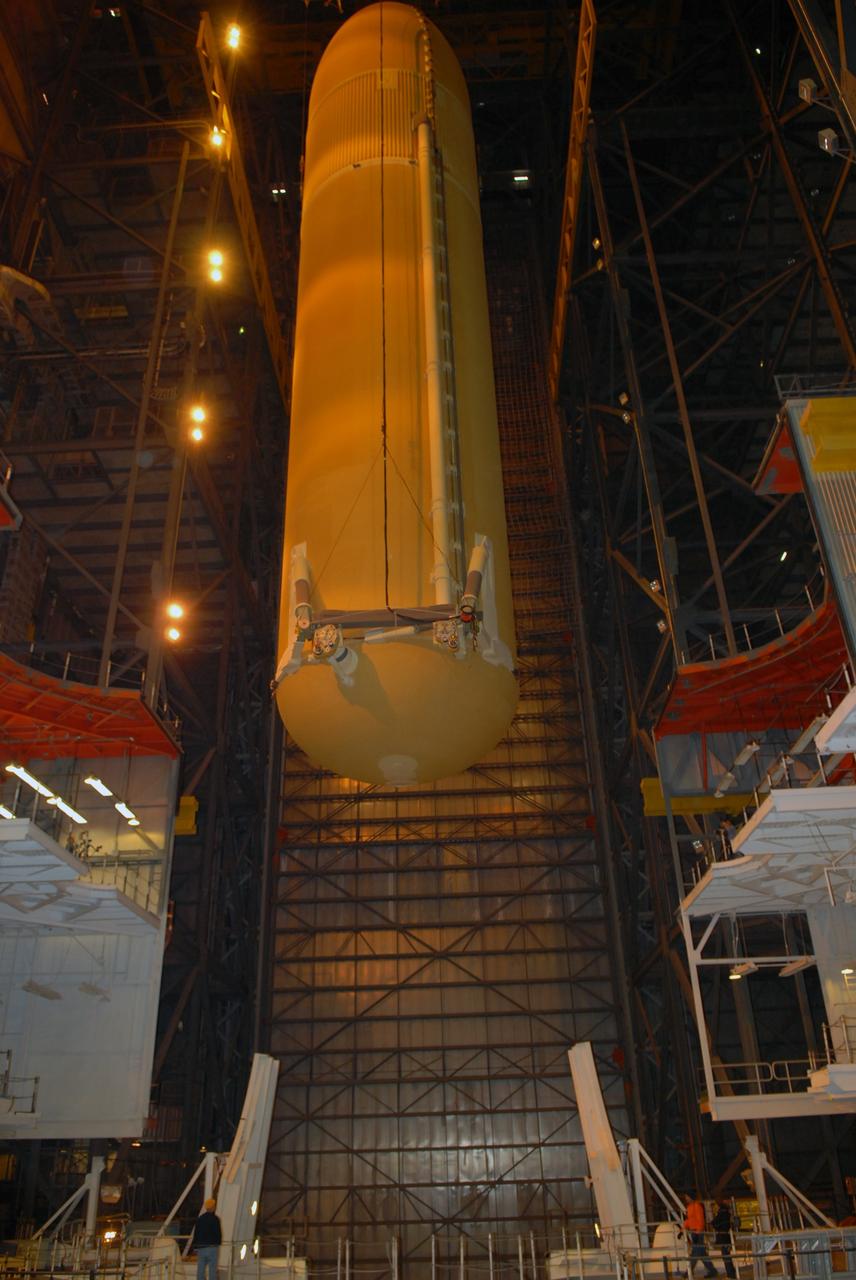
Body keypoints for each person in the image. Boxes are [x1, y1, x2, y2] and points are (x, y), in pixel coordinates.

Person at [683, 1193, 717, 1278]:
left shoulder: (697, 1206)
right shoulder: (689, 1207)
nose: (686, 1198)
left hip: (697, 1232)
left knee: (695, 1252)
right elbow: (689, 1220)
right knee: (701, 1253)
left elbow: (700, 1219)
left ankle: (689, 1271)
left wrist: (698, 1232)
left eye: (687, 1196)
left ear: (690, 1197)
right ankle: (712, 1270)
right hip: (694, 1232)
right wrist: (682, 1229)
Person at [191, 1197, 222, 1280]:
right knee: (212, 1270)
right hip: (212, 1248)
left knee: (200, 1269)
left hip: (201, 1248)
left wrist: (195, 1247)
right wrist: (218, 1243)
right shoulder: (215, 1219)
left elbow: (196, 1233)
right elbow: (218, 1234)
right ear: (213, 1207)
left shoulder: (200, 1219)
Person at [712, 1201, 737, 1279]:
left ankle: (731, 1275)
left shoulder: (721, 1215)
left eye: (715, 1206)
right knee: (727, 1256)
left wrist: (715, 1222)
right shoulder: (726, 1214)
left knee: (726, 1256)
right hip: (726, 1237)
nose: (714, 1208)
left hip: (724, 1237)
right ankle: (731, 1273)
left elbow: (715, 1223)